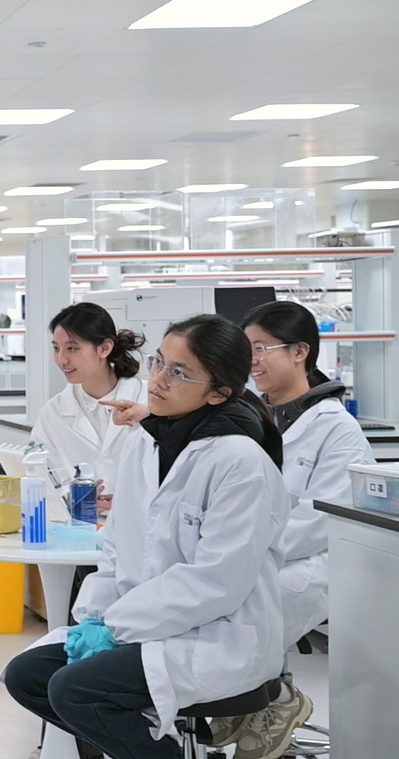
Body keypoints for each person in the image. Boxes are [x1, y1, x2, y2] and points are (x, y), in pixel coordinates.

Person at [2, 314, 288, 759]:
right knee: (28, 676)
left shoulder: (240, 461)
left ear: (218, 393)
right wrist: (92, 619)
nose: (157, 380)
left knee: (75, 691)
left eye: (179, 373)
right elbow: (117, 547)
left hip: (216, 634)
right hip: (145, 623)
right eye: (159, 363)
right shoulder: (145, 442)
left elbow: (217, 582)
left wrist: (116, 627)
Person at [204, 301, 375, 759]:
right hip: (253, 552)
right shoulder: (251, 417)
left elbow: (319, 519)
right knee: (205, 601)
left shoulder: (337, 429)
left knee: (242, 610)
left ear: (300, 352)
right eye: (247, 350)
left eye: (261, 348)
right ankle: (242, 699)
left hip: (312, 562)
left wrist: (248, 548)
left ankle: (272, 702)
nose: (252, 361)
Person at [31, 302, 148, 516]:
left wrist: (132, 501)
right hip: (81, 525)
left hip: (141, 522)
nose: (61, 360)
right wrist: (70, 497)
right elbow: (42, 477)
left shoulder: (149, 401)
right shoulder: (53, 413)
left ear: (104, 349)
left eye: (72, 348)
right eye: (56, 348)